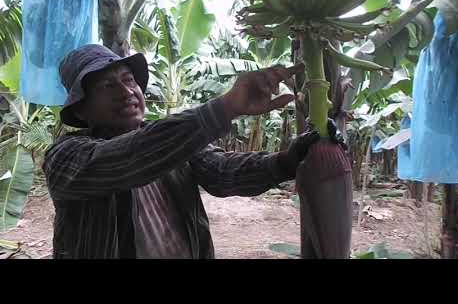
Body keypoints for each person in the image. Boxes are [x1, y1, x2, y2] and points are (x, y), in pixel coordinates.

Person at [43, 44, 340, 259]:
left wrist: (287, 161)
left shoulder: (169, 142)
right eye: (107, 86)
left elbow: (221, 172)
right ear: (81, 111)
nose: (126, 92)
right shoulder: (66, 158)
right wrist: (227, 107)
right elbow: (129, 158)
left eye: (128, 80)